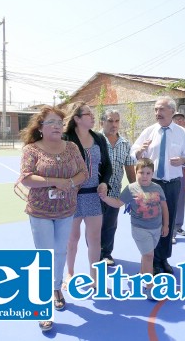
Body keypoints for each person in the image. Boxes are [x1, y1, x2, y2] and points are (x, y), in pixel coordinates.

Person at [15, 105, 88, 331]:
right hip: (40, 211)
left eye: (60, 122)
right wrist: (55, 182)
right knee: (43, 255)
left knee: (60, 251)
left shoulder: (72, 147)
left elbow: (83, 173)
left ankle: (56, 287)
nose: (57, 126)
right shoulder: (31, 150)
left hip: (66, 209)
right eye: (52, 123)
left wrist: (71, 183)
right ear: (41, 128)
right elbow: (26, 178)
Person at [131, 96, 185, 275]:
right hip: (152, 185)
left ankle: (163, 258)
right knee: (153, 223)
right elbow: (133, 151)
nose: (158, 113)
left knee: (169, 221)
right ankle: (153, 262)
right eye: (156, 109)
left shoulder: (182, 134)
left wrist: (183, 159)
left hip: (173, 184)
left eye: (162, 109)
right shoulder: (149, 131)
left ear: (172, 112)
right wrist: (139, 151)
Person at [99, 158, 169, 299]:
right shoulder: (131, 189)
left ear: (152, 173)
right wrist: (106, 199)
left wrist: (166, 225)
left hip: (156, 228)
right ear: (135, 172)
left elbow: (164, 208)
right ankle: (150, 288)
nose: (144, 176)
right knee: (149, 256)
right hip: (140, 228)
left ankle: (143, 275)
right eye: (141, 172)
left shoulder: (157, 188)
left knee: (147, 254)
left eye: (148, 173)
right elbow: (118, 202)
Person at [63, 102, 112, 286]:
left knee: (95, 239)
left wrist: (104, 183)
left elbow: (107, 166)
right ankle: (70, 274)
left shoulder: (98, 138)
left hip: (93, 196)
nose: (92, 117)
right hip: (72, 197)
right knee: (72, 239)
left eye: (92, 114)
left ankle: (95, 278)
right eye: (88, 114)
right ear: (76, 118)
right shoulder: (65, 138)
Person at [99, 109, 136, 266]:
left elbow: (129, 169)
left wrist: (134, 192)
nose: (114, 124)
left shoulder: (125, 144)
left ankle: (106, 254)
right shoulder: (94, 140)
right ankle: (95, 254)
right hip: (94, 192)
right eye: (110, 120)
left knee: (110, 225)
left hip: (114, 193)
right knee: (94, 226)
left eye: (117, 121)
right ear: (102, 122)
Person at [171, 110, 185, 244]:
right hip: (173, 174)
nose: (179, 121)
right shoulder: (169, 135)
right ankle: (171, 231)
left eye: (181, 119)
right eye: (176, 119)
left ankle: (178, 227)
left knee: (181, 202)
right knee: (172, 202)